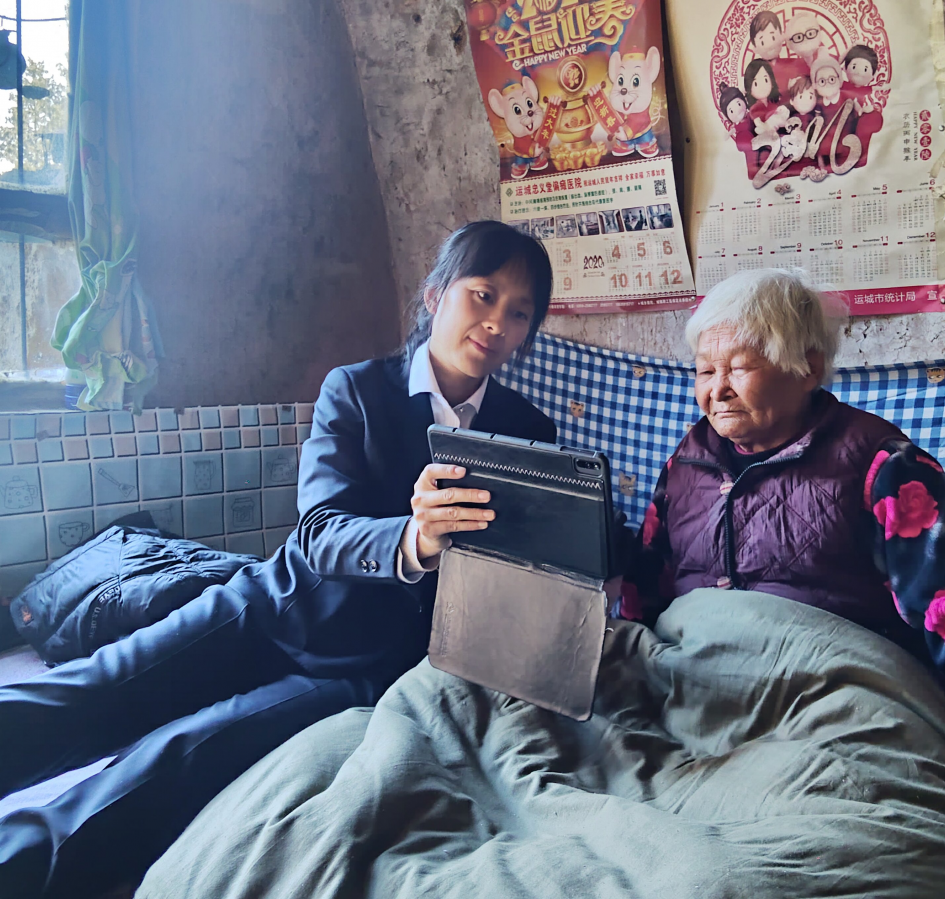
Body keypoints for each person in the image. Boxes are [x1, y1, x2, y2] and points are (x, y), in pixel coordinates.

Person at [0, 220, 558, 898]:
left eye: (519, 312)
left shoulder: (528, 433)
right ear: (436, 294)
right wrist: (413, 539)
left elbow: (525, 564)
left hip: (366, 664)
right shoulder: (356, 391)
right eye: (483, 294)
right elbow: (320, 530)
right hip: (271, 602)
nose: (497, 322)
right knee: (96, 685)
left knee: (170, 763)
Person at [618, 268, 945, 828]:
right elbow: (641, 603)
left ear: (807, 368)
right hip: (693, 701)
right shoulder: (686, 465)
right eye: (706, 371)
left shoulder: (883, 466)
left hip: (832, 707)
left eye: (739, 367)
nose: (718, 390)